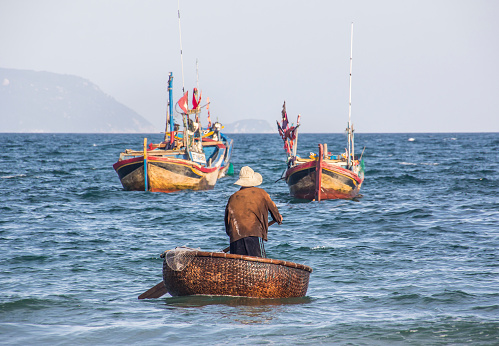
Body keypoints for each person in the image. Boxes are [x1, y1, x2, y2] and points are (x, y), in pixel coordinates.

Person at [224, 166, 283, 258]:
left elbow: (227, 224)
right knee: (258, 265)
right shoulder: (262, 193)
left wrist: (234, 235)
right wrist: (278, 218)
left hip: (235, 238)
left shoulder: (232, 197)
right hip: (254, 234)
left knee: (238, 266)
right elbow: (274, 211)